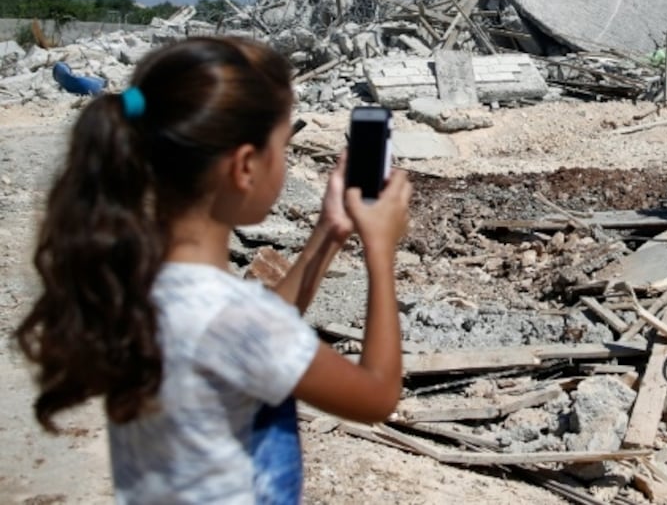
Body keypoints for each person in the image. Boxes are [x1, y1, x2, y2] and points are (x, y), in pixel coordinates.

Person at [14, 36, 412, 503]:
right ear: (244, 166)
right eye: (283, 146)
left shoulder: (137, 282)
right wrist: (380, 252)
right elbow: (377, 396)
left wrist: (328, 233)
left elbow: (251, 330)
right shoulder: (239, 320)